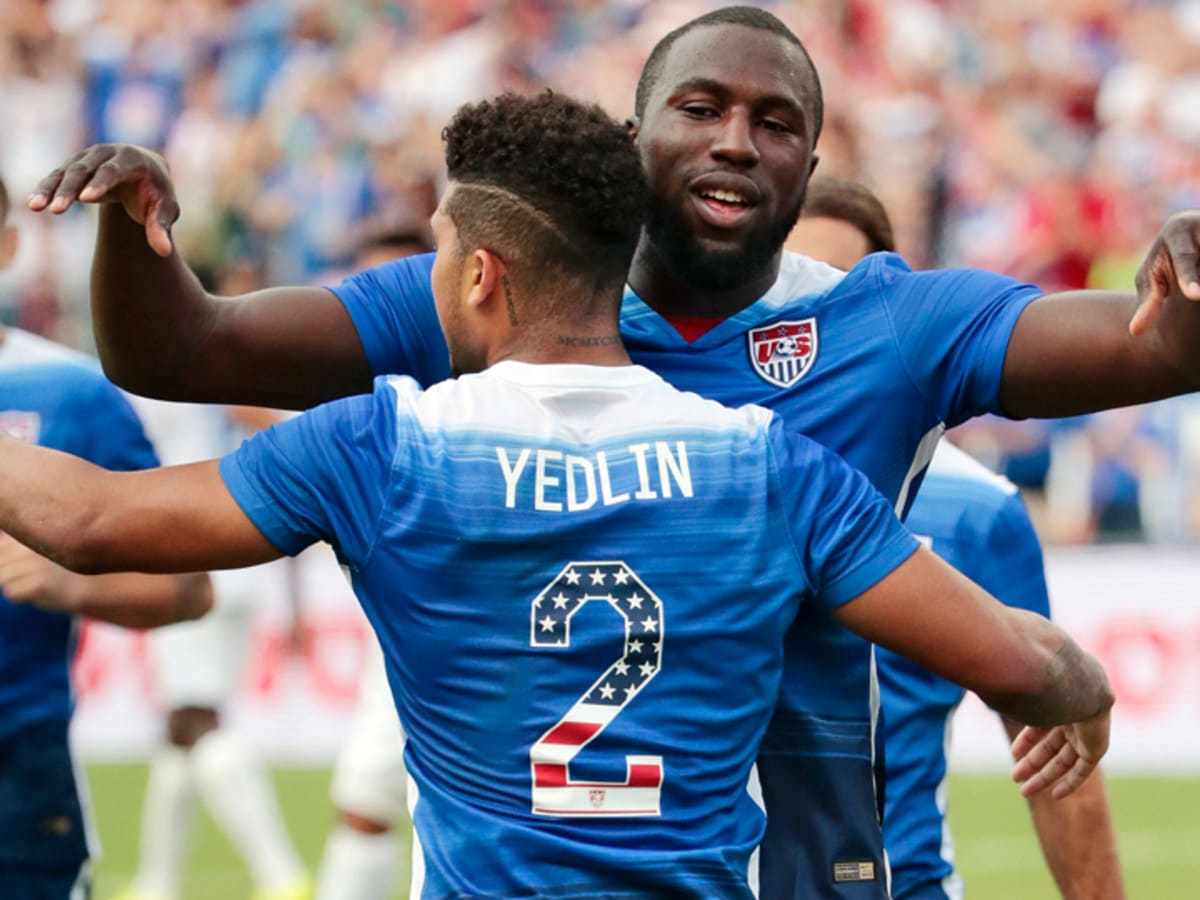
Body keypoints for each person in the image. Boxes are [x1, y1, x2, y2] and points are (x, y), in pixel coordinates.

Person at [26, 5, 1189, 896]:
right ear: (636, 138)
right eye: (703, 107)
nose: (737, 141)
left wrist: (1188, 275)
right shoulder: (524, 319)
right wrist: (140, 238)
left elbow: (1149, 348)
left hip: (815, 861)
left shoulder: (889, 325)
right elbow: (188, 348)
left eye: (776, 122)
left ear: (815, 161)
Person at [790, 174, 1126, 900]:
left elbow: (1055, 755)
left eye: (832, 287)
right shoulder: (702, 474)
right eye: (789, 284)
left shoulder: (977, 509)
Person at [0, 172, 212, 899]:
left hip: (19, 763)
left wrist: (67, 581)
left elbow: (187, 587)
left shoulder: (71, 392)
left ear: (8, 246)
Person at [115, 402, 311, 900]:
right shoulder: (235, 370)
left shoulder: (164, 377)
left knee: (196, 719)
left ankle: (281, 875)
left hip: (188, 557)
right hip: (245, 558)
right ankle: (156, 884)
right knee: (181, 731)